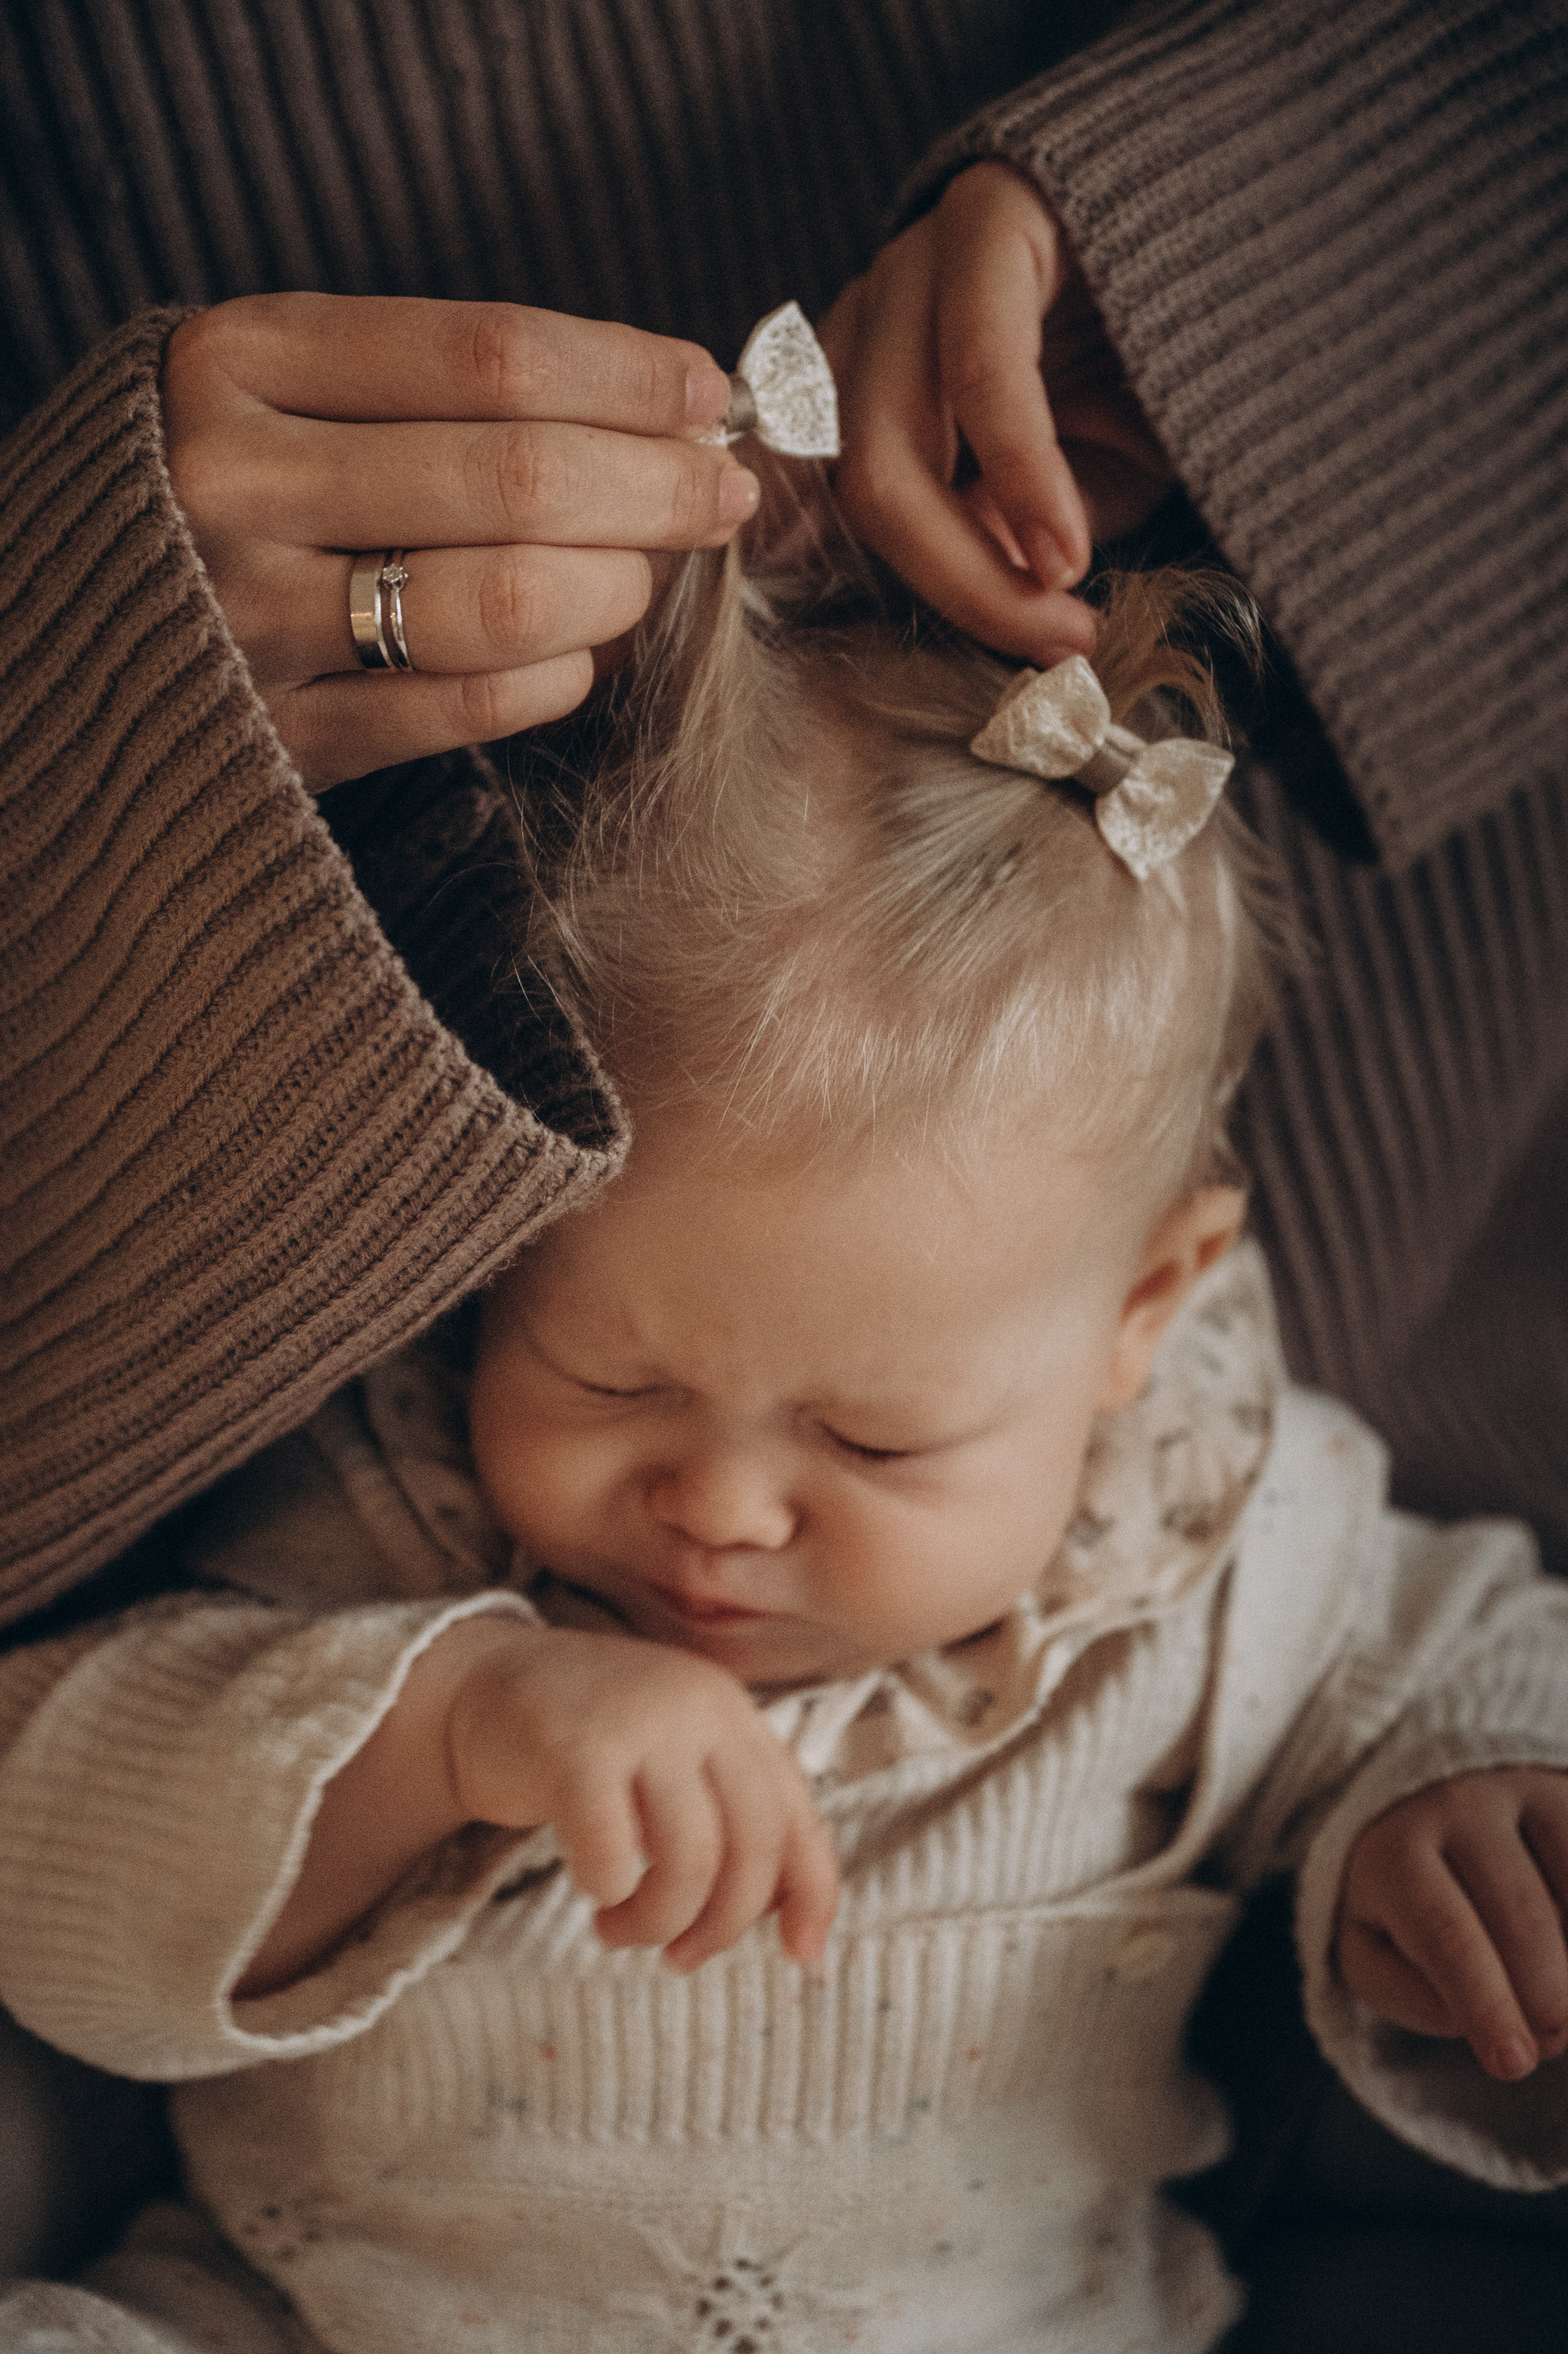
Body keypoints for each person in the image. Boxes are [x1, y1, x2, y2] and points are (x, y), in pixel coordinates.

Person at [2, 0, 1566, 2339]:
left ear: (1152, 1308)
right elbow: (54, 1829)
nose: (723, 1512)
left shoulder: (1199, 1537)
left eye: (875, 1432)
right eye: (616, 1372)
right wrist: (447, 1732)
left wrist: (1459, 1805)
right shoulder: (409, 1508)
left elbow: (1459, 1648)